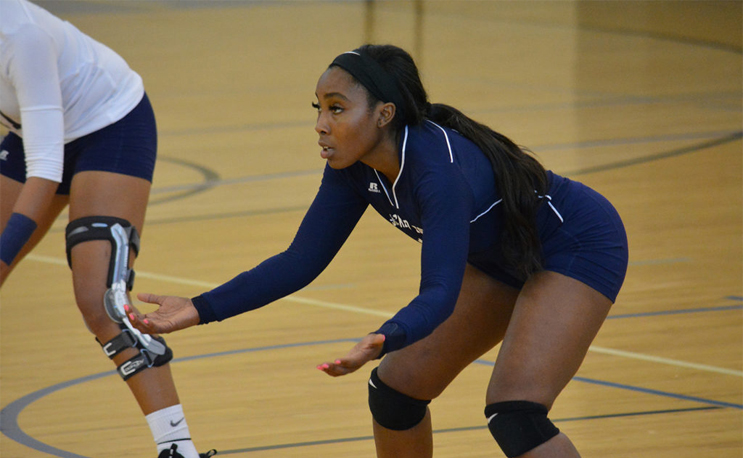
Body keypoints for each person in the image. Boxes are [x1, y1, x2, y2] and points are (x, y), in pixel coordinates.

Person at [128, 44, 629, 458]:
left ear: (385, 114)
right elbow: (300, 261)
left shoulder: (438, 174)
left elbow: (439, 291)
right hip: (498, 256)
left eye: (337, 109)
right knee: (394, 394)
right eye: (318, 109)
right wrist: (199, 307)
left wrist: (386, 335)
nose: (321, 124)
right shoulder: (353, 166)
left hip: (574, 243)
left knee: (514, 413)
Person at [0, 1, 217, 457]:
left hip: (109, 127)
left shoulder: (21, 36)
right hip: (32, 133)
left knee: (101, 302)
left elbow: (45, 170)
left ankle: (178, 451)